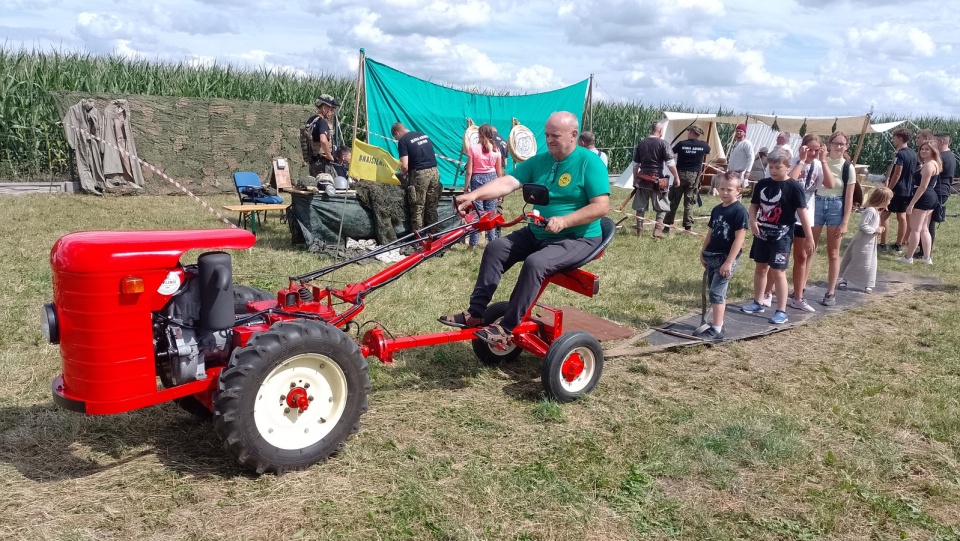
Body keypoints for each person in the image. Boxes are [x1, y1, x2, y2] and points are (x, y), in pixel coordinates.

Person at [438, 112, 610, 346]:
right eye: (547, 135)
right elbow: (507, 182)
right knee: (496, 248)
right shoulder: (541, 161)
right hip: (539, 231)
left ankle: (507, 327)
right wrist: (473, 195)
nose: (549, 140)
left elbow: (601, 207)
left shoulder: (590, 163)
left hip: (577, 237)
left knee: (535, 263)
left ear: (573, 135)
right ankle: (475, 314)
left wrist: (565, 220)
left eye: (555, 135)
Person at [740, 150, 814, 325]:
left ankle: (781, 310)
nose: (773, 170)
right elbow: (754, 205)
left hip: (782, 236)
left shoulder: (794, 187)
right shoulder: (762, 184)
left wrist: (809, 236)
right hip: (762, 233)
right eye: (770, 167)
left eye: (778, 167)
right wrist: (752, 220)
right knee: (760, 268)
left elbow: (802, 213)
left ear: (788, 167)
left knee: (778, 271)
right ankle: (758, 301)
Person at [780, 134, 833, 313]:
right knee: (781, 254)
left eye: (815, 150)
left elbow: (830, 184)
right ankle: (767, 293)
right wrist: (801, 161)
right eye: (809, 149)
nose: (812, 153)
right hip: (786, 214)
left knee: (801, 256)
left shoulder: (818, 164)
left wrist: (823, 160)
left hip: (805, 216)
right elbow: (789, 183)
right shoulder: (793, 161)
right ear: (802, 147)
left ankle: (798, 296)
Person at [697, 171, 748, 340]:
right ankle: (717, 323)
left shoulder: (739, 211)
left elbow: (739, 239)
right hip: (713, 255)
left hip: (726, 258)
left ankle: (717, 329)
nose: (725, 192)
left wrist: (728, 262)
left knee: (717, 293)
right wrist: (703, 252)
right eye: (722, 188)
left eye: (730, 189)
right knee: (714, 291)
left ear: (739, 190)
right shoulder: (717, 209)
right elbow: (710, 232)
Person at [814, 131, 857, 306]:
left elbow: (849, 198)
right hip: (816, 203)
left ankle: (830, 292)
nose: (839, 147)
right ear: (829, 144)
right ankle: (799, 290)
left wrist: (845, 222)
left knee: (833, 253)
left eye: (842, 144)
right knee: (810, 248)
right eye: (836, 143)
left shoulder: (848, 168)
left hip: (836, 207)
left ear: (846, 146)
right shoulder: (819, 162)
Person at [838, 187, 893, 294]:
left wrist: (879, 229)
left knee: (869, 262)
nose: (890, 202)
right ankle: (844, 279)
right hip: (862, 242)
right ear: (883, 200)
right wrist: (875, 230)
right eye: (889, 199)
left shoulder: (876, 211)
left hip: (870, 242)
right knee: (858, 260)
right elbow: (863, 225)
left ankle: (867, 282)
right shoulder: (870, 211)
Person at [391, 122, 442, 233]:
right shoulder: (422, 134)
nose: (397, 140)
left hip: (420, 175)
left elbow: (404, 166)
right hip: (435, 172)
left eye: (396, 137)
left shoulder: (403, 141)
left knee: (417, 206)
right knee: (431, 205)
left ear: (397, 132)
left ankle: (419, 238)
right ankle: (434, 233)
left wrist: (402, 174)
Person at [632, 121, 680, 238]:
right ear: (660, 131)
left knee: (640, 206)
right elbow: (670, 163)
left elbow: (635, 165)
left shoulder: (641, 143)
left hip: (642, 180)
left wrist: (635, 180)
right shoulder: (663, 143)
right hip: (657, 181)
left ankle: (640, 231)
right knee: (662, 206)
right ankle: (657, 230)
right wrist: (677, 177)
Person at [898, 141, 942, 265]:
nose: (923, 151)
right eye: (922, 149)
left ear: (933, 151)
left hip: (923, 197)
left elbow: (922, 187)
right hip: (931, 196)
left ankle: (908, 257)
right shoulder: (934, 164)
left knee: (915, 230)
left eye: (927, 149)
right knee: (924, 229)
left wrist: (911, 204)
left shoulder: (929, 166)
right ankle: (927, 258)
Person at [465, 123, 504, 250]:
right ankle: (492, 242)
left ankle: (472, 245)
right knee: (491, 213)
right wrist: (501, 190)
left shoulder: (473, 148)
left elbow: (469, 171)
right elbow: (499, 172)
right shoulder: (496, 149)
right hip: (492, 179)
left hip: (477, 180)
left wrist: (466, 187)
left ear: (480, 134)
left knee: (477, 214)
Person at [665, 125, 711, 233]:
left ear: (691, 132)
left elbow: (670, 152)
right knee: (689, 202)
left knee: (674, 201)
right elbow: (708, 150)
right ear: (698, 134)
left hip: (680, 175)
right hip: (693, 177)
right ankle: (687, 227)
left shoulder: (681, 144)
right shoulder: (704, 145)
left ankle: (666, 225)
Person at [879, 128, 916, 252]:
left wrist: (889, 188)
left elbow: (897, 174)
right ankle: (898, 244)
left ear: (900, 139)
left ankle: (882, 242)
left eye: (894, 138)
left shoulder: (900, 154)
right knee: (902, 217)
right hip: (908, 190)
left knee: (884, 215)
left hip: (897, 190)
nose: (893, 140)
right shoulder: (913, 153)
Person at [924, 133, 956, 256]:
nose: (932, 144)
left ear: (942, 141)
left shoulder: (942, 156)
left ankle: (925, 250)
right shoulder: (950, 155)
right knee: (930, 220)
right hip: (943, 190)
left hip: (938, 191)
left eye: (935, 141)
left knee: (929, 221)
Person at [305, 95, 340, 177]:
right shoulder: (322, 122)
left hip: (313, 161)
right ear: (324, 109)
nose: (332, 113)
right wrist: (329, 155)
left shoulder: (311, 120)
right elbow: (323, 140)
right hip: (322, 163)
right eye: (331, 110)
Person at [726, 123, 755, 189]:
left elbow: (751, 157)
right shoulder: (736, 143)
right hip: (732, 172)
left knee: (738, 191)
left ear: (744, 133)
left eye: (740, 131)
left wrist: (748, 171)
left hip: (740, 172)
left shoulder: (746, 143)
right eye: (737, 131)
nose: (738, 132)